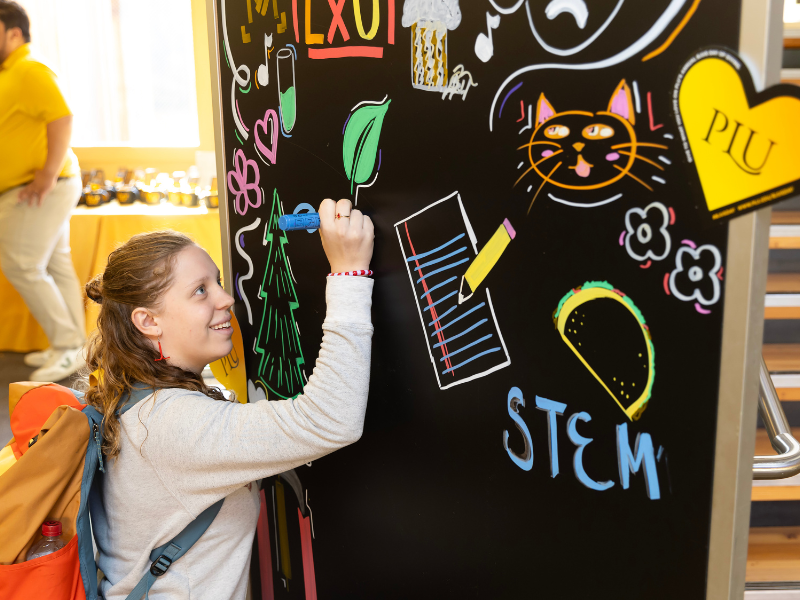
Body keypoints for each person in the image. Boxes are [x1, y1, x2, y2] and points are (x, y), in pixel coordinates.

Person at [81, 198, 373, 599]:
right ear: (148, 321)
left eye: (217, 281)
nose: (226, 299)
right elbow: (330, 419)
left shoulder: (134, 394)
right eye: (201, 291)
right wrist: (349, 273)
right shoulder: (171, 423)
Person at [0, 1, 86, 381]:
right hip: (45, 186)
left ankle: (68, 345)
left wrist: (47, 175)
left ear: (13, 32)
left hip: (42, 188)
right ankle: (75, 347)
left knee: (22, 263)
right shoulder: (13, 72)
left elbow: (62, 116)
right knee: (54, 263)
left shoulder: (29, 68)